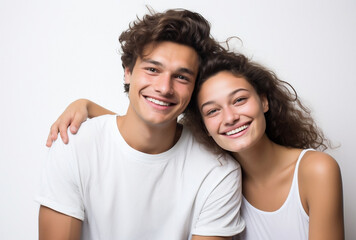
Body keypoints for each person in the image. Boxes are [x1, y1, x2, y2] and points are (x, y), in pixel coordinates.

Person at [49, 51, 344, 239]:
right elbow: (146, 128)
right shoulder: (221, 174)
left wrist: (86, 105)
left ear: (264, 100)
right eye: (212, 111)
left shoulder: (315, 171)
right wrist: (87, 106)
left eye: (239, 99)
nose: (230, 118)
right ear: (203, 124)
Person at [38, 8, 246, 240]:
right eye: (152, 69)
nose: (164, 87)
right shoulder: (74, 145)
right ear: (128, 72)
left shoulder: (217, 172)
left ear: (194, 88)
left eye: (181, 77)